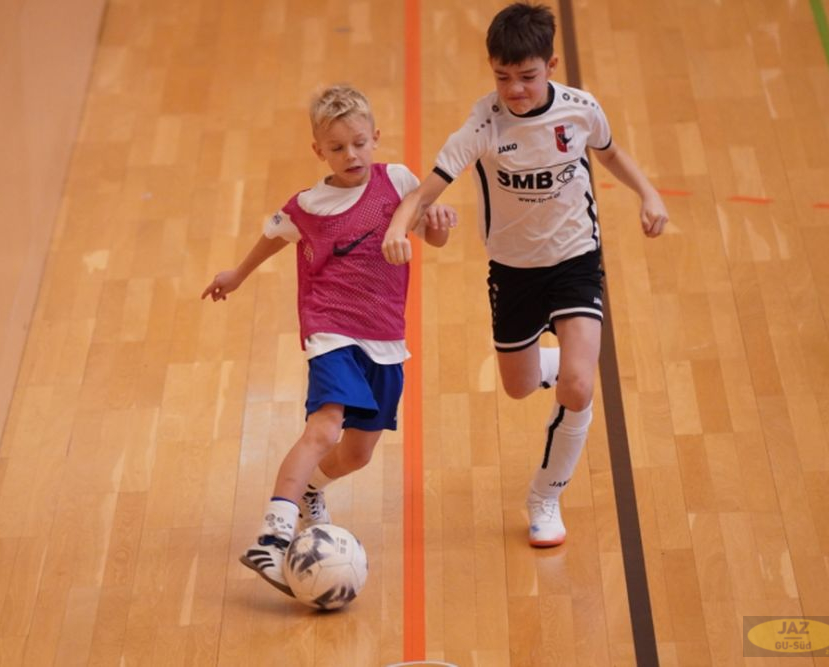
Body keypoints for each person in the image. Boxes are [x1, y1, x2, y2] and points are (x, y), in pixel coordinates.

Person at [382, 2, 668, 548]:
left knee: (578, 388)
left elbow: (610, 155)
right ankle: (560, 364)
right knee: (517, 386)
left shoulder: (581, 110)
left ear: (551, 65)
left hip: (576, 259)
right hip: (513, 270)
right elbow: (426, 190)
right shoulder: (484, 124)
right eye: (503, 77)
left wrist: (648, 194)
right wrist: (399, 227)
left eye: (527, 77)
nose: (514, 89)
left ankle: (544, 496)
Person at [202, 85, 454, 595]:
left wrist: (441, 222)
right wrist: (238, 274)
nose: (351, 155)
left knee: (358, 454)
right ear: (319, 151)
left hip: (385, 338)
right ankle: (272, 538)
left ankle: (311, 490)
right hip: (331, 329)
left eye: (359, 143)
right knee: (324, 429)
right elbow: (273, 237)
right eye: (337, 148)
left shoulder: (399, 182)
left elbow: (433, 236)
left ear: (376, 137)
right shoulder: (308, 205)